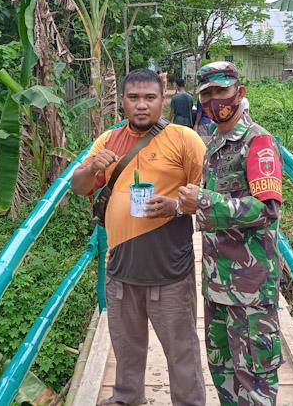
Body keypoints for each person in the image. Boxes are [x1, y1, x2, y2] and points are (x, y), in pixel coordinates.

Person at [71, 69, 207, 406]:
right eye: (134, 98)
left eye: (150, 98)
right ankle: (126, 399)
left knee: (181, 350)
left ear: (164, 100)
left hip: (169, 269)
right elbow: (79, 188)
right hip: (120, 266)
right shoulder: (108, 140)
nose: (141, 105)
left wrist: (176, 206)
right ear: (123, 102)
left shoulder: (185, 139)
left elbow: (209, 195)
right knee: (126, 346)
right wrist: (90, 169)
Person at [177, 61, 284, 406]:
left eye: (221, 91)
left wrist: (204, 200)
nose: (214, 100)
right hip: (217, 286)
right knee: (223, 378)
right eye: (206, 94)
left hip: (250, 292)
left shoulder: (258, 142)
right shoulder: (215, 144)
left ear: (240, 92)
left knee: (253, 383)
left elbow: (267, 209)